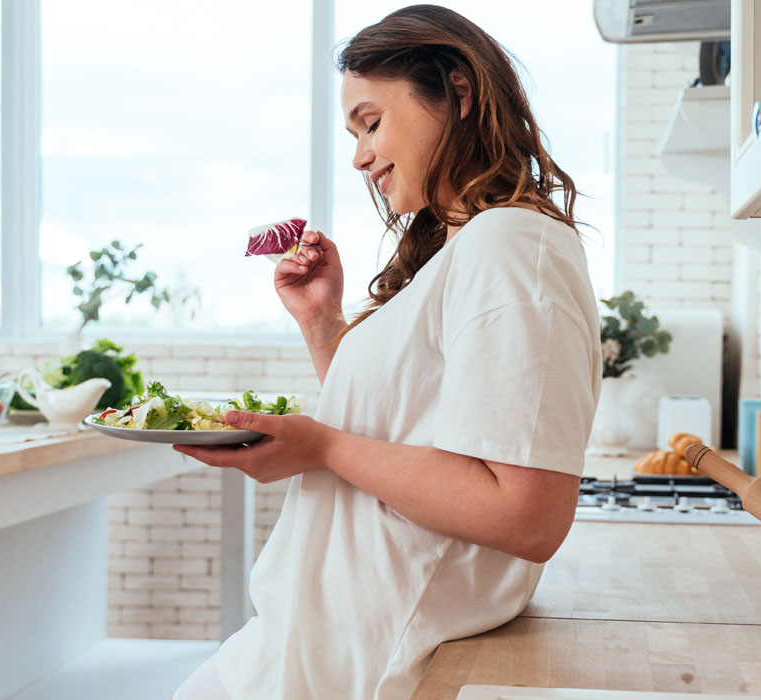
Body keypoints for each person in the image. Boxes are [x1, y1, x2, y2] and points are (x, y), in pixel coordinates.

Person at [167, 5, 602, 699]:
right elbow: (401, 428)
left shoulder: (512, 247)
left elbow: (528, 515)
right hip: (311, 645)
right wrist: (323, 323)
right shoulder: (464, 252)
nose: (359, 155)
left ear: (457, 92)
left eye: (371, 122)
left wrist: (320, 448)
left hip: (363, 663)